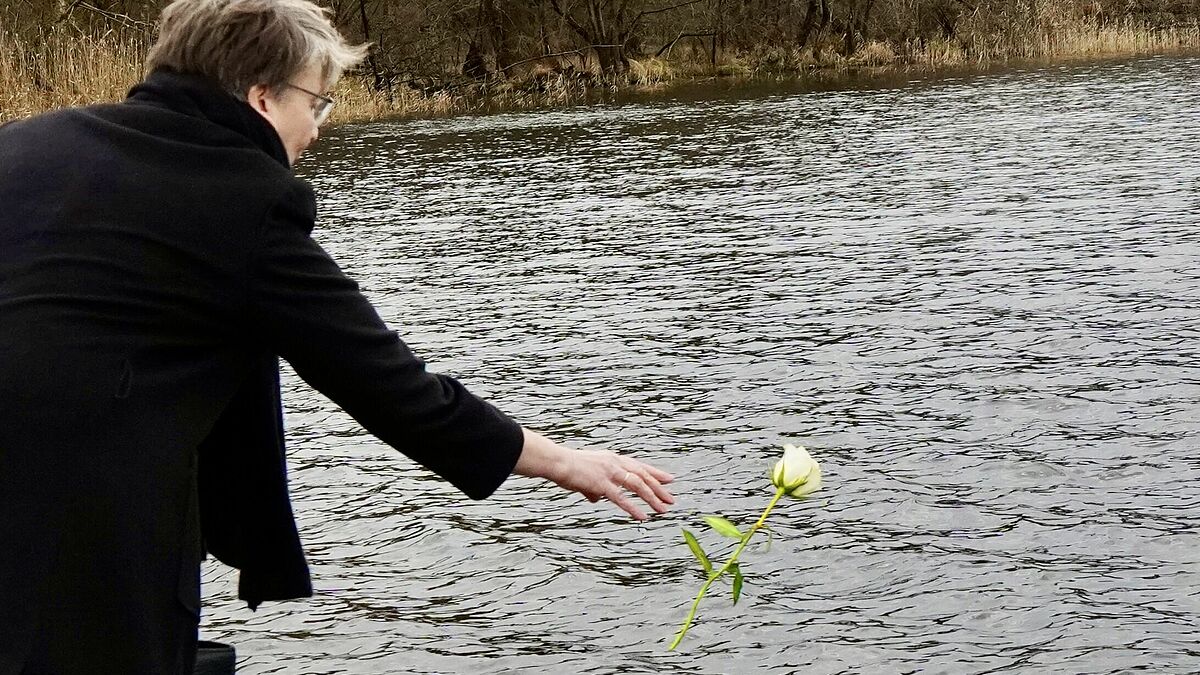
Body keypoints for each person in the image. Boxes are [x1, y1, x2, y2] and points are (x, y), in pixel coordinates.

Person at [0, 0, 675, 672]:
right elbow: (386, 385)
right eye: (317, 103)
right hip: (81, 539)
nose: (318, 130)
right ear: (263, 96)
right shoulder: (243, 197)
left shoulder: (26, 144)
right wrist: (565, 462)